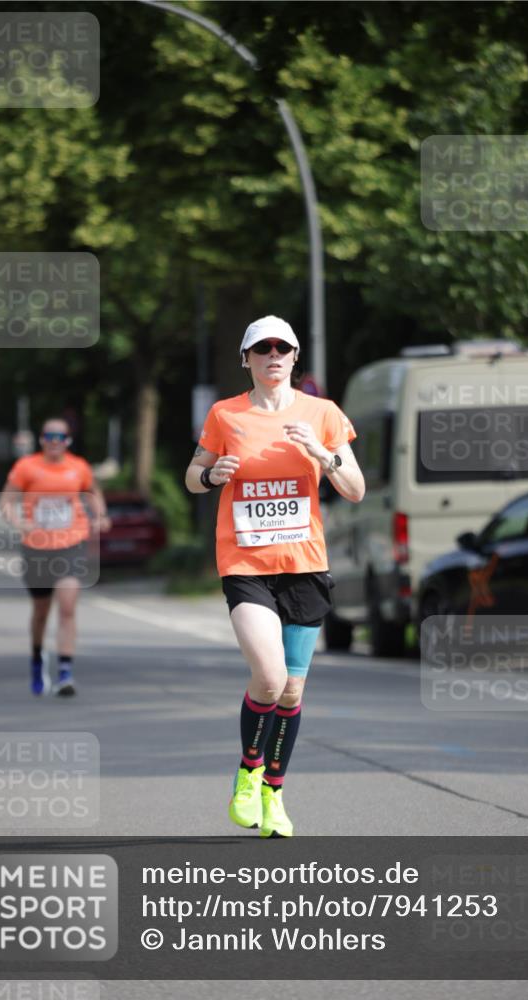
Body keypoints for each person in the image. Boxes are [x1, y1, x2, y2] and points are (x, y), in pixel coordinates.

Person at [185, 316, 365, 837]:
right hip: (245, 564)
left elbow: (354, 488)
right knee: (270, 676)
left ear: (294, 357)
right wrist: (209, 475)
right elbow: (194, 475)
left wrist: (322, 454)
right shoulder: (226, 414)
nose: (272, 355)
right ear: (247, 359)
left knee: (292, 691)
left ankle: (275, 794)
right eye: (261, 348)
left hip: (305, 565)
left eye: (281, 348)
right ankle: (248, 772)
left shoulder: (323, 414)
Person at [0, 418, 111, 697]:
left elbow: (94, 492)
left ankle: (65, 672)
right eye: (49, 435)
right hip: (36, 546)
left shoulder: (78, 467)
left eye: (59, 436)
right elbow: (6, 501)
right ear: (41, 439)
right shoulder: (26, 467)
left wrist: (100, 515)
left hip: (71, 543)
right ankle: (37, 659)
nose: (54, 440)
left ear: (67, 440)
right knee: (40, 612)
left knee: (67, 606)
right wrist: (18, 522)